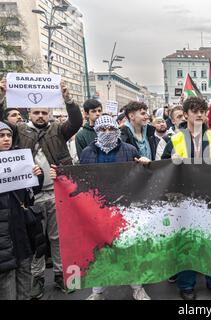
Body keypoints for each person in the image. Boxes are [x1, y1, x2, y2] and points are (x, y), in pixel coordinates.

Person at [0, 79, 83, 299]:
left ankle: (60, 274)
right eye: (36, 112)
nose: (40, 116)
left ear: (49, 114)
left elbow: (76, 121)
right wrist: (1, 96)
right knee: (36, 239)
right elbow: (1, 123)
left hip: (58, 193)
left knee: (58, 237)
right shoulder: (19, 131)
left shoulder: (58, 130)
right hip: (31, 197)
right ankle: (36, 279)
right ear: (29, 113)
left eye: (44, 113)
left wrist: (68, 99)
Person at [55, 115, 151, 300]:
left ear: (117, 130)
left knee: (128, 248)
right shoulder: (88, 152)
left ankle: (137, 287)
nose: (107, 133)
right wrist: (59, 175)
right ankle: (97, 291)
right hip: (96, 208)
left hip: (124, 207)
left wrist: (146, 164)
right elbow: (81, 178)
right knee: (98, 249)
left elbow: (143, 173)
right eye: (102, 129)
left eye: (111, 129)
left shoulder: (130, 150)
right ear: (96, 131)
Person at [162, 97, 211, 301]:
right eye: (195, 111)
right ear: (186, 114)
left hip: (210, 197)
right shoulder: (175, 138)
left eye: (202, 111)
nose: (199, 114)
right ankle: (186, 285)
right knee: (187, 243)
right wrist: (170, 162)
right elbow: (161, 166)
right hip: (184, 200)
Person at [0, 122, 45, 300]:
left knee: (24, 274)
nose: (5, 139)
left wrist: (37, 176)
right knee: (6, 282)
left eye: (8, 135)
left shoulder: (20, 159)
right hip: (3, 236)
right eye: (1, 136)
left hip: (21, 231)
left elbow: (31, 194)